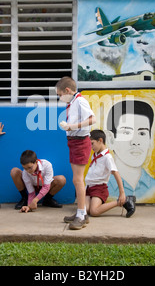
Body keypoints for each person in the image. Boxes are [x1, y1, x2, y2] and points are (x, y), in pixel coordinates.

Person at [56, 76, 96, 230]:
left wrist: (73, 126)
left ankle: (81, 215)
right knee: (76, 180)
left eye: (60, 95)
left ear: (67, 91)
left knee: (78, 180)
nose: (60, 98)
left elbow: (92, 119)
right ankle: (82, 213)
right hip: (74, 142)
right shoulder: (72, 102)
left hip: (80, 142)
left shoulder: (80, 101)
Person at [105, 99, 155, 203]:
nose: (135, 142)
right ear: (111, 139)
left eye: (142, 133)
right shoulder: (103, 187)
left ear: (150, 139)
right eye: (126, 133)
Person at [82, 129, 135, 218]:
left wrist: (122, 193)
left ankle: (123, 201)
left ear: (100, 141)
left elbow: (116, 174)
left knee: (94, 211)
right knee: (85, 210)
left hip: (99, 188)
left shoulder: (107, 157)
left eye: (92, 143)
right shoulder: (95, 154)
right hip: (89, 187)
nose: (91, 147)